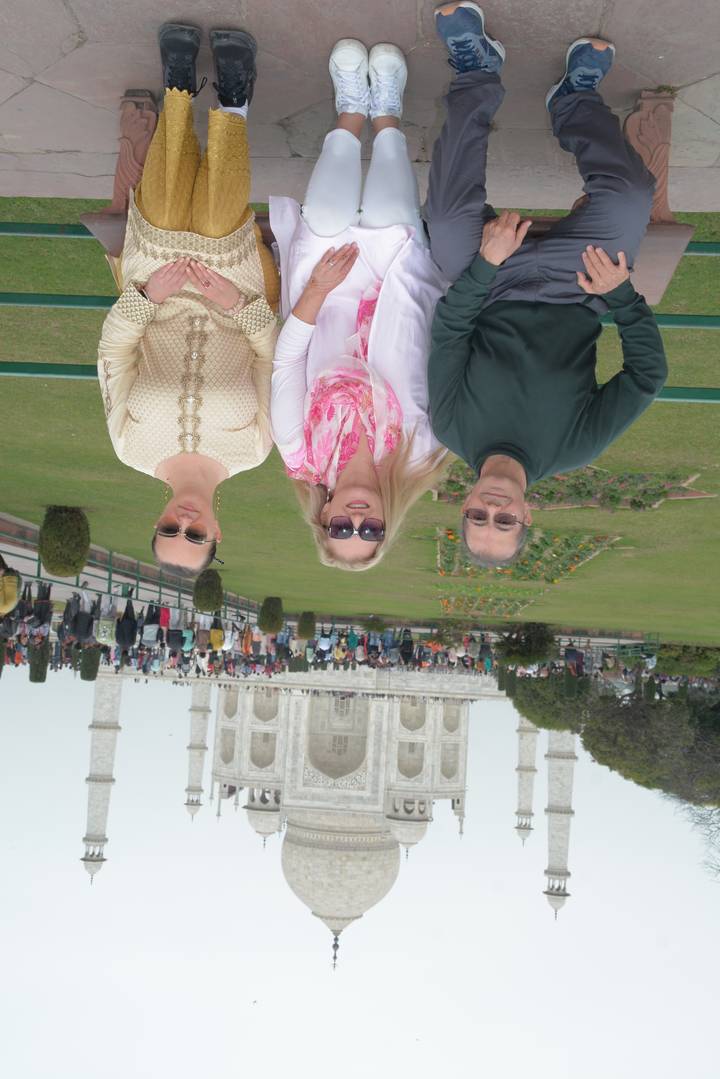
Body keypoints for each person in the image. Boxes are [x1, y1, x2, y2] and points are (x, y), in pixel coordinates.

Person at [426, 5, 667, 567]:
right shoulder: (576, 447)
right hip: (577, 283)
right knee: (632, 196)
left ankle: (477, 74)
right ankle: (575, 101)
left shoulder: (451, 426)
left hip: (490, 284)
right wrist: (621, 296)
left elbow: (450, 331)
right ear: (528, 514)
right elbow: (647, 378)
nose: (492, 509)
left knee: (444, 218)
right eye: (504, 522)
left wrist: (486, 264)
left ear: (462, 504)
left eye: (478, 518)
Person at [97, 22, 280, 577]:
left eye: (170, 531)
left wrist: (149, 295)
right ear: (216, 532)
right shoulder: (254, 450)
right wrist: (238, 304)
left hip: (156, 292)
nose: (184, 522)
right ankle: (233, 97)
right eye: (195, 536)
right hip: (239, 300)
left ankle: (177, 87)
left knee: (167, 221)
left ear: (156, 522)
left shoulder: (130, 447)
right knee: (218, 225)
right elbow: (275, 359)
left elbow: (113, 357)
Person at [270, 38, 449, 570]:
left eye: (341, 529)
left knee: (325, 219)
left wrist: (317, 290)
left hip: (321, 303)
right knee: (392, 218)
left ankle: (351, 109)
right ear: (386, 525)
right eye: (369, 530)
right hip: (399, 297)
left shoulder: (299, 454)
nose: (355, 518)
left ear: (321, 519)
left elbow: (287, 363)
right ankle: (388, 112)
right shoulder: (420, 456)